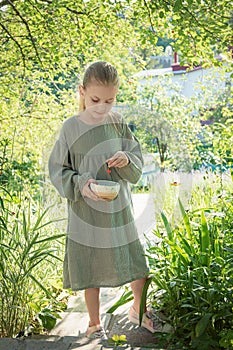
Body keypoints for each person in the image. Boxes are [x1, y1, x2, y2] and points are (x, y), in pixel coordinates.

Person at [48, 61, 168, 339]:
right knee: (91, 264)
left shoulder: (117, 122)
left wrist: (126, 158)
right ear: (81, 92)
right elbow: (57, 170)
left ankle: (138, 308)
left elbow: (136, 161)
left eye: (110, 100)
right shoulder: (70, 128)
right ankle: (94, 323)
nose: (103, 106)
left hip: (118, 208)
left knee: (134, 260)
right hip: (85, 211)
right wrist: (81, 183)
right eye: (95, 100)